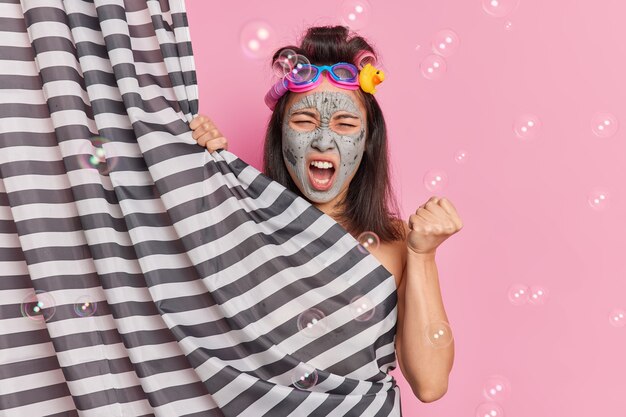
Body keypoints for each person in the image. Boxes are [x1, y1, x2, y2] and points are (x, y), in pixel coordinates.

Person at [189, 25, 462, 404]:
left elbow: (431, 384)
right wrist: (195, 165)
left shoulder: (399, 242)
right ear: (280, 136)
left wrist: (422, 255)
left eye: (345, 124)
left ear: (368, 141)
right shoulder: (237, 220)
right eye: (303, 122)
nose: (322, 139)